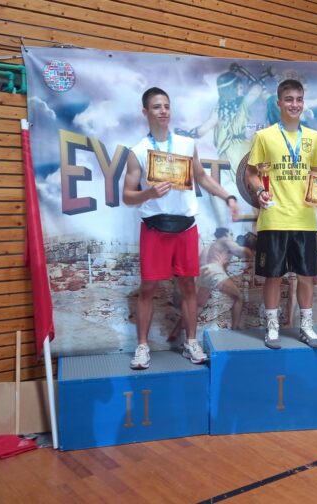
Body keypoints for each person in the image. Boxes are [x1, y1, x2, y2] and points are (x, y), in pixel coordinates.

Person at [123, 87, 239, 370]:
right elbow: (127, 196)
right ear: (145, 112)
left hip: (185, 227)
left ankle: (191, 342)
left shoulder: (186, 145)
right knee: (148, 287)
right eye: (156, 107)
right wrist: (148, 193)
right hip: (155, 228)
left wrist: (228, 196)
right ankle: (142, 347)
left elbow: (202, 178)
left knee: (188, 285)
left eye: (166, 105)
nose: (163, 111)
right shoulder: (138, 151)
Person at [245, 79, 317, 350]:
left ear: (303, 103)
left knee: (306, 275)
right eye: (289, 99)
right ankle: (272, 327)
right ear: (279, 103)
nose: (294, 104)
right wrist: (260, 191)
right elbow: (251, 173)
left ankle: (306, 326)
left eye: (299, 99)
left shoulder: (314, 138)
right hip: (273, 218)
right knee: (273, 276)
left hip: (305, 219)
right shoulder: (264, 136)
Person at [168, 227, 253, 341]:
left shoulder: (211, 246)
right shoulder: (225, 240)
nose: (232, 237)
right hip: (214, 270)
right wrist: (249, 249)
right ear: (226, 233)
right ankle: (235, 328)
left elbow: (203, 262)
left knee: (198, 306)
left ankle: (176, 332)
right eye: (231, 234)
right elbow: (242, 252)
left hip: (203, 272)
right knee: (238, 297)